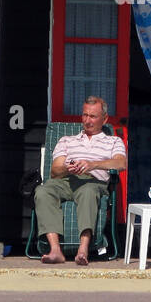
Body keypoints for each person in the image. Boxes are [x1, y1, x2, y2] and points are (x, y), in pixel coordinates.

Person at [35, 95, 127, 266]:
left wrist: (92, 165)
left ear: (104, 119)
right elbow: (54, 171)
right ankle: (55, 250)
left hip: (94, 182)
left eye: (93, 116)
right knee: (42, 190)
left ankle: (83, 249)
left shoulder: (113, 141)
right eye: (85, 115)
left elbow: (121, 163)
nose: (87, 120)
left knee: (88, 191)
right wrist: (67, 168)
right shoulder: (67, 140)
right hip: (66, 180)